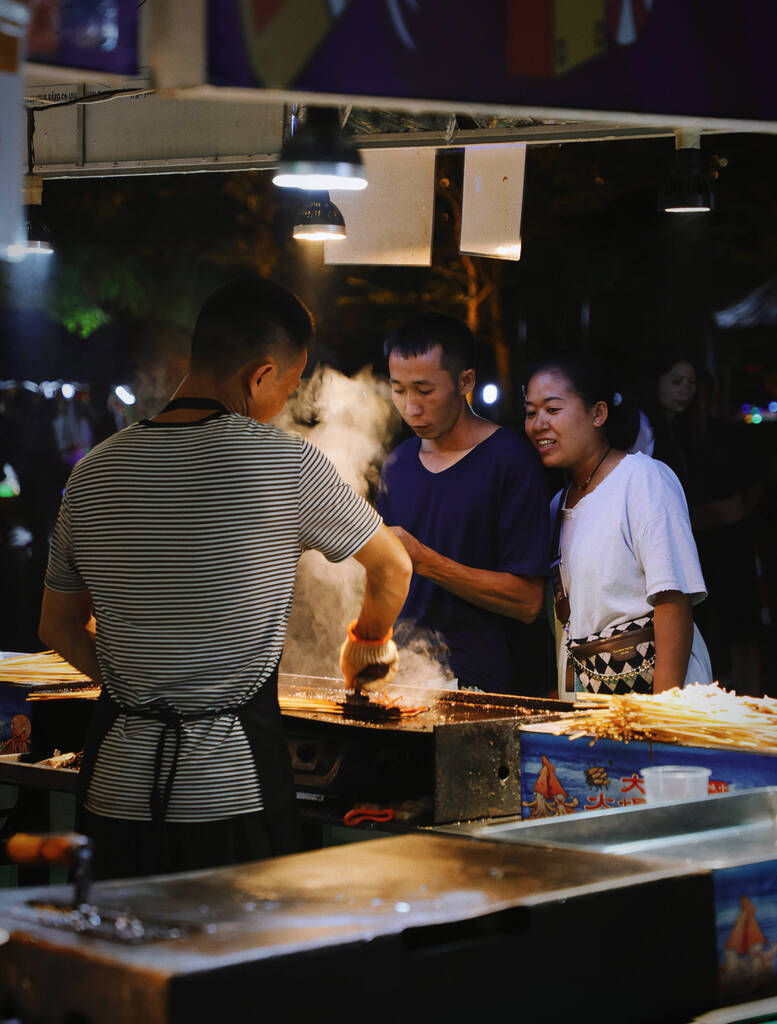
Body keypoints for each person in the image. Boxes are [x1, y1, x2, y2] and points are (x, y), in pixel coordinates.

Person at [39, 277, 411, 879]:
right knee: (231, 963)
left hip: (114, 789)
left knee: (125, 957)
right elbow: (393, 567)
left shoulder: (93, 473)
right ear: (260, 376)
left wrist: (145, 687)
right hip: (233, 793)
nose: (282, 408)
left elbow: (57, 626)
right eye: (287, 390)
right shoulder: (286, 463)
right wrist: (365, 642)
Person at [523, 355, 712, 701]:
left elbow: (672, 599)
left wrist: (663, 715)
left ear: (598, 414)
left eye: (552, 409)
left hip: (661, 701)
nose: (538, 424)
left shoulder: (642, 479)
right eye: (530, 412)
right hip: (596, 703)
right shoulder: (556, 506)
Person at [378, 313, 549, 694]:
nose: (411, 408)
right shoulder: (397, 465)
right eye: (399, 390)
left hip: (479, 683)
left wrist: (423, 559)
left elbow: (528, 601)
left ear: (465, 381)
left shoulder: (509, 459)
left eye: (424, 390)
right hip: (399, 676)